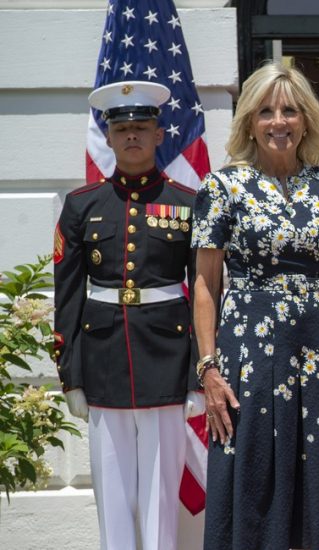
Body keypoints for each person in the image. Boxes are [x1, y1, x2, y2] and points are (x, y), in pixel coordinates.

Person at [191, 63, 319, 550]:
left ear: (306, 120)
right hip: (250, 357)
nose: (278, 122)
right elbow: (206, 284)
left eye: (289, 110)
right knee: (255, 483)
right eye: (265, 111)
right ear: (249, 122)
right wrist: (208, 369)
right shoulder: (221, 188)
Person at [53, 80, 201, 550]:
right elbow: (68, 295)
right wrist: (71, 375)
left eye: (141, 127)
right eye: (121, 129)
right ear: (109, 138)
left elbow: (204, 294)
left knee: (160, 501)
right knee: (112, 499)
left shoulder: (188, 203)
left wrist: (199, 376)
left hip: (167, 360)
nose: (131, 135)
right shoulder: (82, 205)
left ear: (159, 135)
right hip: (103, 361)